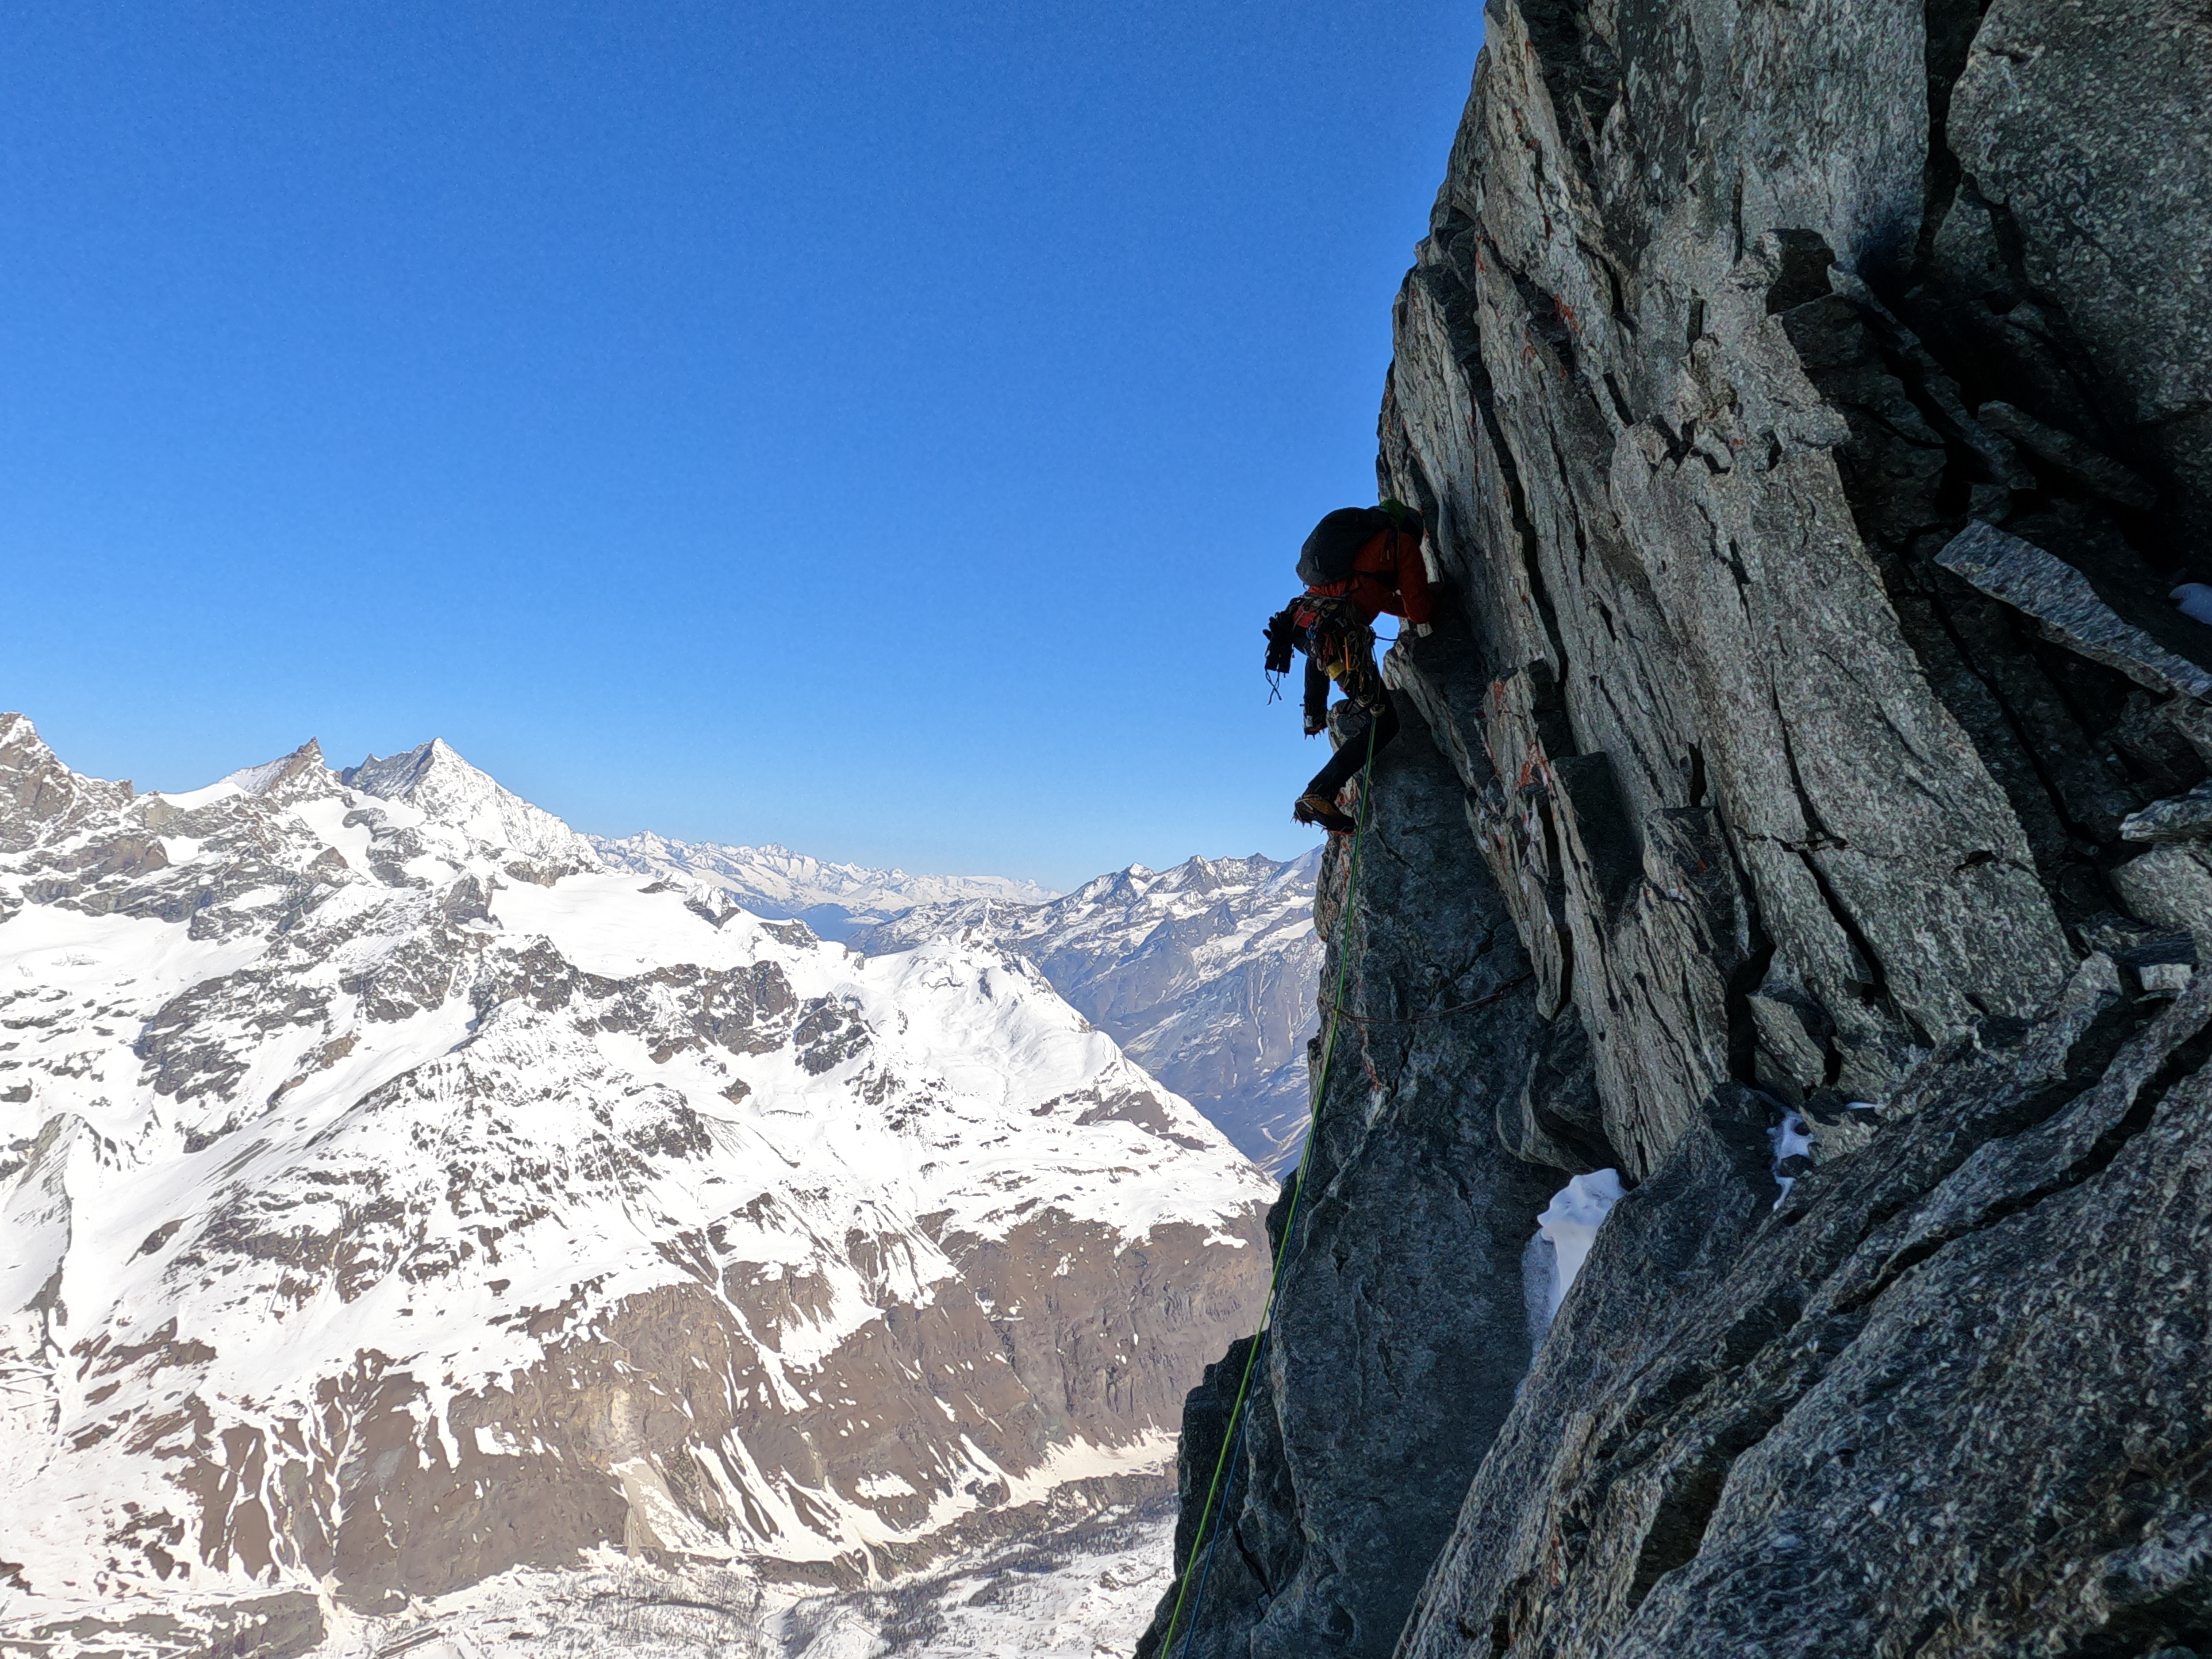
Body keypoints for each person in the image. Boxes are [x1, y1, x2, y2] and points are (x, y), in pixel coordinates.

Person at [1263, 502, 1434, 834]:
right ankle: (1320, 792)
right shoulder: (1402, 544)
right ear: (1411, 528)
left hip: (1301, 625)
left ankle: (1314, 712)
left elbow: (1378, 596)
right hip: (1336, 634)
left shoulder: (1358, 546)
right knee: (1384, 722)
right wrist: (1438, 595)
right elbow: (1421, 611)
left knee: (1322, 653)